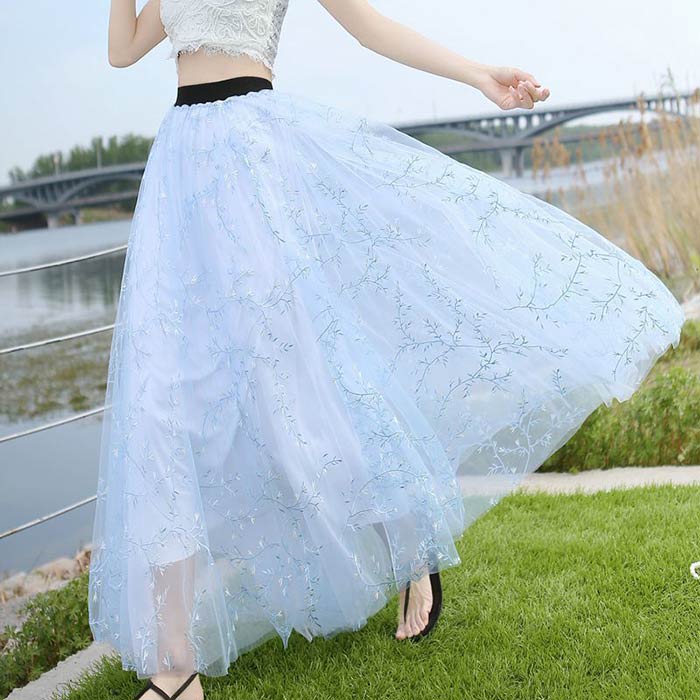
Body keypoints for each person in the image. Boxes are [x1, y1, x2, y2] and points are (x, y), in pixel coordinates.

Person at [90, 1, 685, 698]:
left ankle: (410, 543)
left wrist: (477, 74)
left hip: (254, 162)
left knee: (300, 394)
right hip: (180, 171)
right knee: (163, 402)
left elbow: (370, 27)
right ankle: (175, 665)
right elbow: (123, 49)